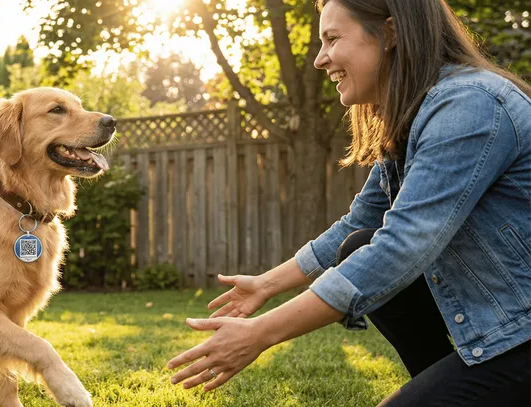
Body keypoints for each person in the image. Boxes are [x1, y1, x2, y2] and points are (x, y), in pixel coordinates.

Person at [166, 0, 531, 405]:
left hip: (522, 332)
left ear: (390, 34)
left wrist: (262, 332)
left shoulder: (469, 105)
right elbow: (359, 222)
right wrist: (266, 285)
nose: (321, 60)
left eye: (332, 39)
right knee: (356, 244)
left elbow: (401, 246)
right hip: (504, 330)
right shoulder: (417, 115)